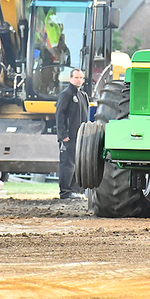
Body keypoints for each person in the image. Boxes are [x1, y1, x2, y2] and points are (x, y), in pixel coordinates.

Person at [55, 68, 89, 200]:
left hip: (80, 137)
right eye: (76, 77)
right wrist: (63, 135)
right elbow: (60, 115)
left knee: (77, 164)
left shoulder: (83, 96)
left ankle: (74, 191)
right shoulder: (66, 94)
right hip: (69, 137)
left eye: (81, 78)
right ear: (70, 79)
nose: (79, 80)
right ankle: (65, 192)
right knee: (67, 164)